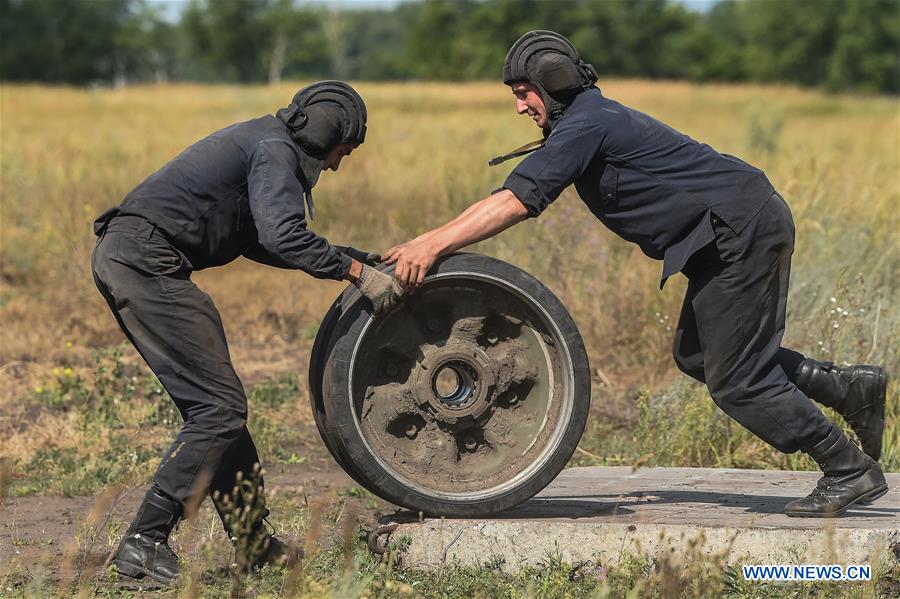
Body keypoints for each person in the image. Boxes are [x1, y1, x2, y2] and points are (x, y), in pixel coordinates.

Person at [384, 31, 888, 518]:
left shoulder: (586, 124)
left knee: (736, 380)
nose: (519, 107)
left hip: (740, 231)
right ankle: (847, 389)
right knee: (698, 355)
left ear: (552, 83)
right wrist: (426, 241)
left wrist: (431, 245)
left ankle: (846, 467)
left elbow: (516, 201)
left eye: (523, 93)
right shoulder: (586, 118)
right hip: (729, 232)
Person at [91, 81, 402, 585]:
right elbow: (283, 235)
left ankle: (252, 543)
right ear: (324, 135)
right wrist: (356, 275)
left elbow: (264, 239)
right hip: (146, 261)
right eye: (342, 153)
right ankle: (144, 541)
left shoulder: (265, 140)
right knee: (219, 408)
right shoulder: (275, 149)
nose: (336, 166)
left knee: (219, 406)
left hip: (134, 256)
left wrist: (358, 259)